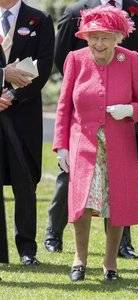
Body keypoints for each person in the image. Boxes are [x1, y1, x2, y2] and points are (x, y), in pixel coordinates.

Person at [45, 0, 138, 260]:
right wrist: (61, 145)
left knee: (118, 199)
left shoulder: (131, 58)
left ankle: (112, 259)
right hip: (82, 140)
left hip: (120, 141)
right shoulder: (76, 56)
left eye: (105, 38)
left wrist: (130, 109)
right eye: (93, 37)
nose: (98, 44)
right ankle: (67, 247)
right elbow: (63, 106)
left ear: (118, 37)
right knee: (78, 196)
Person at [0, 0, 55, 266]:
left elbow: (43, 66)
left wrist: (11, 94)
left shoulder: (39, 19)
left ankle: (27, 249)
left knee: (25, 181)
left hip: (23, 113)